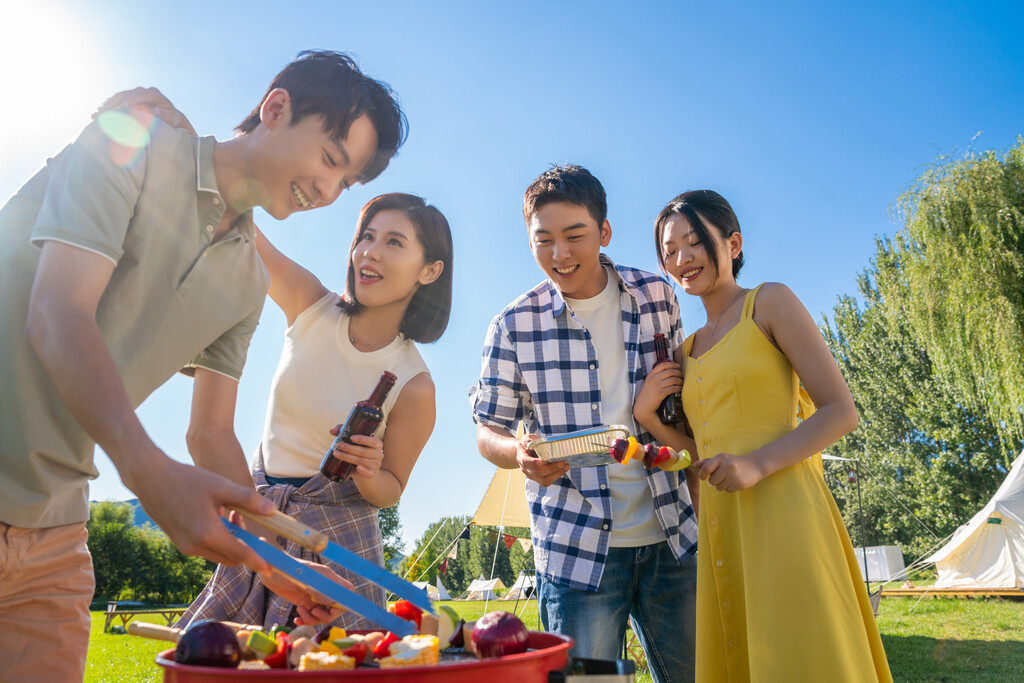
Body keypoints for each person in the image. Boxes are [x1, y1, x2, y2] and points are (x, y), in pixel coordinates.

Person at [0, 50, 406, 681]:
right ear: (275, 108)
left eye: (345, 182)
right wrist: (149, 472)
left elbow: (210, 433)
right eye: (329, 159)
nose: (327, 190)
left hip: (53, 534)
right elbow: (57, 314)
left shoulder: (247, 283)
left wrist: (280, 567)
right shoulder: (130, 143)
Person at [637, 189, 892, 681]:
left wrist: (756, 465)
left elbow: (841, 411)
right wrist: (652, 421)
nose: (682, 259)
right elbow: (706, 457)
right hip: (722, 520)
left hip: (785, 509)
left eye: (693, 242)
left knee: (801, 649)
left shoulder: (769, 302)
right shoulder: (686, 350)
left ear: (732, 243)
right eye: (669, 251)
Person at [178, 192, 453, 630]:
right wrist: (213, 171)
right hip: (260, 521)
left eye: (394, 242)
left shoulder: (415, 383)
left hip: (341, 542)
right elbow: (247, 235)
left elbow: (391, 488)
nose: (370, 251)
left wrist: (369, 469)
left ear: (430, 270)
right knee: (235, 664)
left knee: (337, 667)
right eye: (366, 236)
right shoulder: (310, 305)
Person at [471, 165, 699, 682]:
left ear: (604, 232)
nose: (560, 254)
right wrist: (519, 455)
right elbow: (488, 432)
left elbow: (683, 403)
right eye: (543, 240)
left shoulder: (657, 297)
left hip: (672, 536)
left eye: (574, 236)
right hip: (575, 550)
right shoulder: (512, 325)